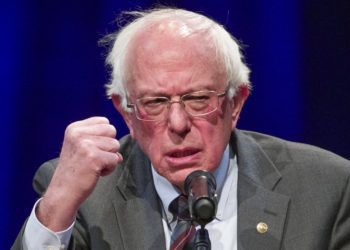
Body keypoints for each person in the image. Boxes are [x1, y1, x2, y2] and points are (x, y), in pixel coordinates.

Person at [12, 7, 350, 250]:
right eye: (155, 102)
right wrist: (56, 208)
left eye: (199, 99)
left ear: (236, 103)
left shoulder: (327, 189)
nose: (177, 124)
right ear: (126, 112)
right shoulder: (84, 198)